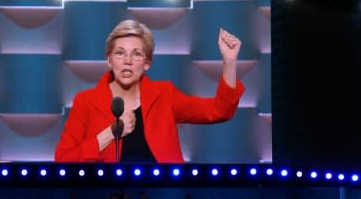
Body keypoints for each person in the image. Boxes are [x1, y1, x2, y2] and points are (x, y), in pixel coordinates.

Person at [54, 19, 244, 163]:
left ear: (147, 63)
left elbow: (220, 110)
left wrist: (229, 61)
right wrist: (110, 133)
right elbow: (63, 160)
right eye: (120, 53)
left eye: (137, 54)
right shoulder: (86, 101)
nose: (127, 61)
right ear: (109, 60)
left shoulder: (164, 94)